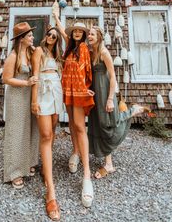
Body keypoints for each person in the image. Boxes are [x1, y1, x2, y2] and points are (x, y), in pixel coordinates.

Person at [87, 26, 151, 179]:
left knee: (109, 124)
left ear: (100, 37)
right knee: (99, 123)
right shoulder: (91, 52)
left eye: (92, 34)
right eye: (88, 34)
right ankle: (108, 163)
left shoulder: (104, 53)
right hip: (95, 92)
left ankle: (132, 111)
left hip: (105, 92)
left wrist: (110, 99)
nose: (89, 36)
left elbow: (113, 77)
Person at [54, 13, 95, 208]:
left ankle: (87, 175)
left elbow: (88, 69)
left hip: (79, 91)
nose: (77, 33)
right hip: (67, 89)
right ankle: (75, 152)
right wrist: (55, 16)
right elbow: (63, 33)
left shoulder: (85, 48)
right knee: (71, 124)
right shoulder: (70, 48)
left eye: (80, 31)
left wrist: (88, 86)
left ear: (84, 34)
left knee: (80, 126)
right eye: (75, 31)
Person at [31, 27, 63, 221]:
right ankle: (50, 190)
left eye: (55, 36)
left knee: (52, 131)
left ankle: (45, 168)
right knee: (46, 135)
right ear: (45, 36)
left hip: (56, 90)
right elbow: (34, 75)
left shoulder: (57, 55)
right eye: (50, 34)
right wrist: (34, 100)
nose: (51, 37)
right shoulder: (39, 51)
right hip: (43, 90)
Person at [3, 22, 39, 189]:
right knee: (17, 132)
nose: (32, 37)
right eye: (29, 35)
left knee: (30, 129)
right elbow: (6, 79)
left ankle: (29, 162)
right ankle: (14, 172)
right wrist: (26, 83)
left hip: (29, 96)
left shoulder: (30, 53)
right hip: (17, 97)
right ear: (21, 39)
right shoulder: (13, 56)